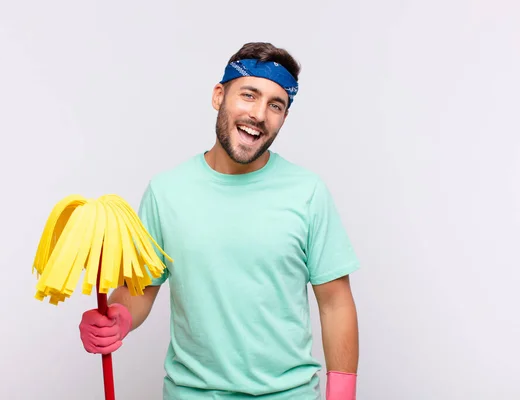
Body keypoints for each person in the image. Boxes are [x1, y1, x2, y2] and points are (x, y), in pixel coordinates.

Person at [79, 42, 360, 400]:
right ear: (218, 96)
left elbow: (335, 303)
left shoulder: (308, 192)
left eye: (276, 105)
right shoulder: (167, 192)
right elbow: (141, 289)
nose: (259, 114)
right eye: (249, 95)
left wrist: (343, 396)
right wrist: (118, 316)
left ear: (284, 118)